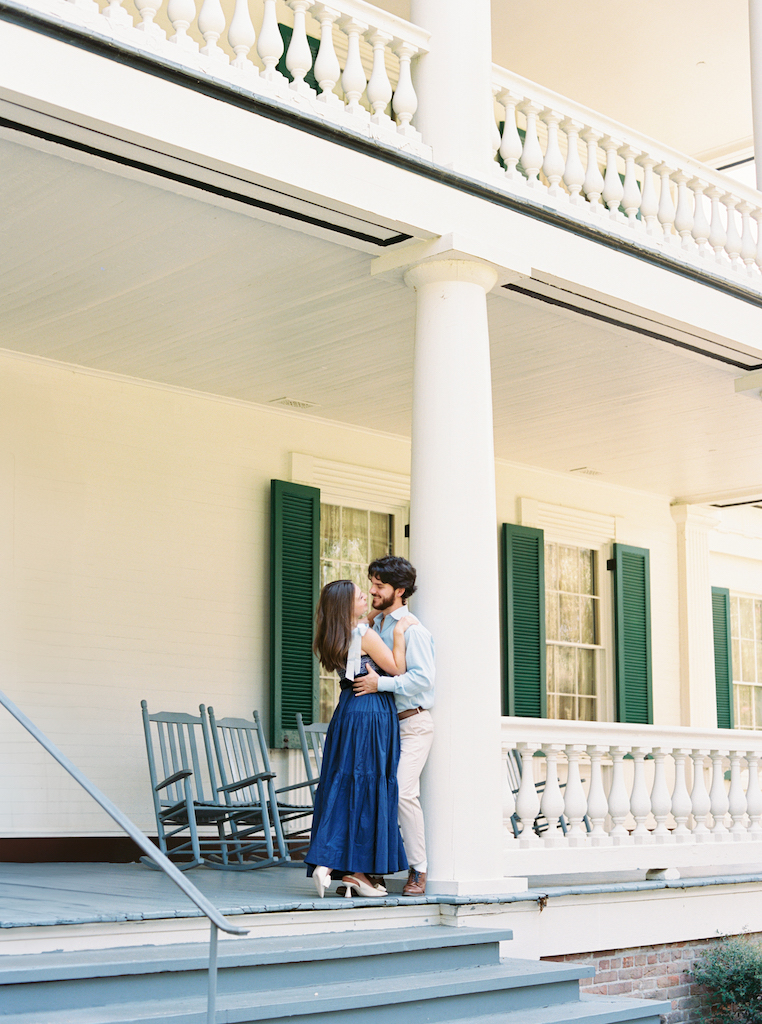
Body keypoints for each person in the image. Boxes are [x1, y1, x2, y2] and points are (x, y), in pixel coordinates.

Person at [305, 579, 414, 898]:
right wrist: (398, 634)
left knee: (348, 784)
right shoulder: (364, 634)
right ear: (345, 605)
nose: (366, 595)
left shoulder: (334, 635)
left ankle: (336, 864)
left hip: (348, 711)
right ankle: (357, 873)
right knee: (369, 786)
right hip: (371, 712)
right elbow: (397, 668)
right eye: (358, 595)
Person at [352, 556, 435, 896]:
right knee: (379, 793)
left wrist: (379, 685)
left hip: (413, 722)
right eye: (371, 583)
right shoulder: (378, 624)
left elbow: (422, 679)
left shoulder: (412, 629)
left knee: (402, 792)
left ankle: (419, 869)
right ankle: (378, 869)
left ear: (399, 591)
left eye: (379, 586)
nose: (372, 590)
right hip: (383, 726)